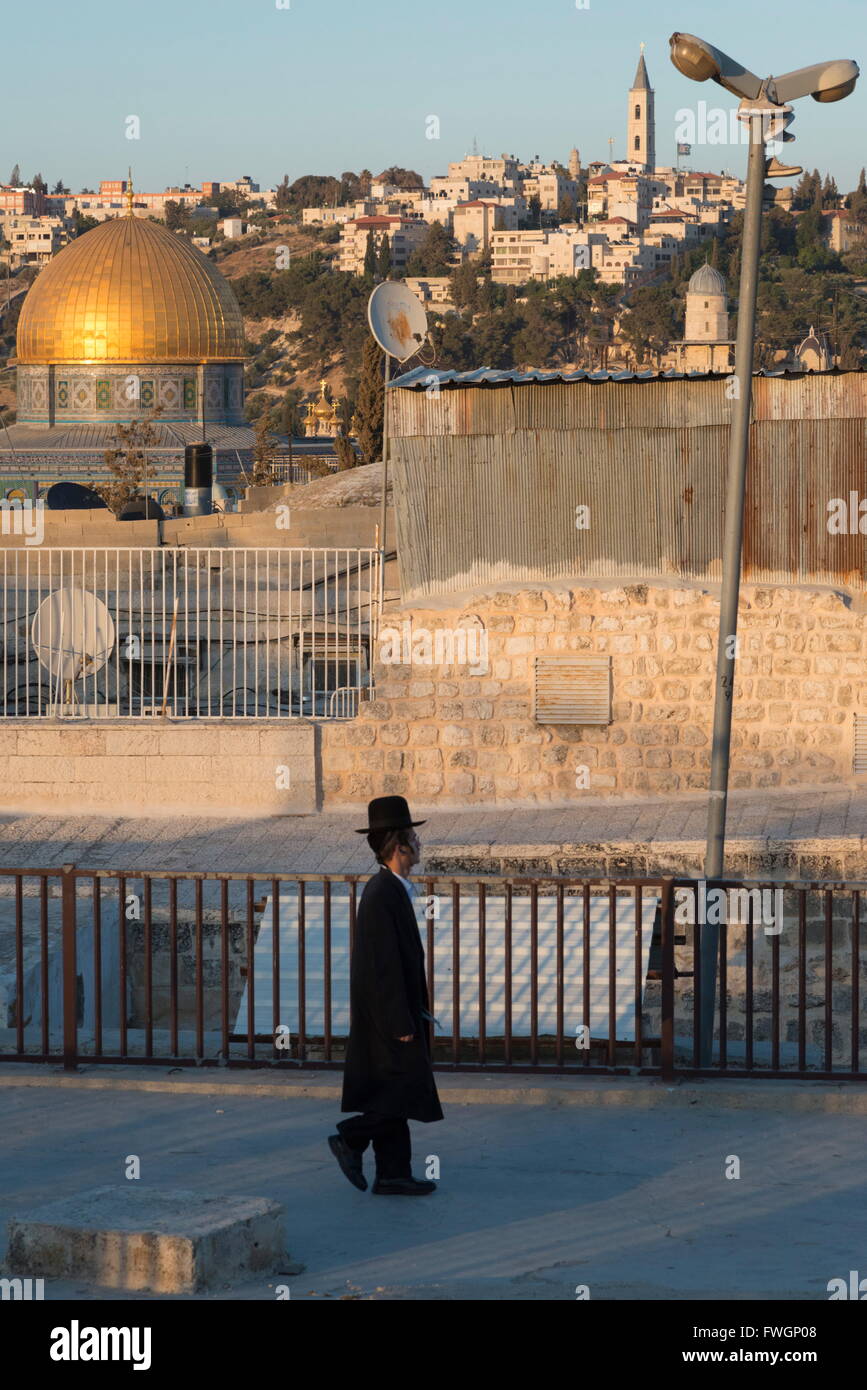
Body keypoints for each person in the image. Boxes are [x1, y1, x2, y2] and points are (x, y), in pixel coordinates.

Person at [328, 796, 443, 1196]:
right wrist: (400, 1021)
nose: (419, 845)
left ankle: (393, 1173)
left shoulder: (391, 890)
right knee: (400, 1091)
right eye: (413, 837)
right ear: (400, 847)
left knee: (396, 1089)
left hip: (394, 1014)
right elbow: (382, 967)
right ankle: (351, 1138)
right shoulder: (382, 895)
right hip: (388, 1018)